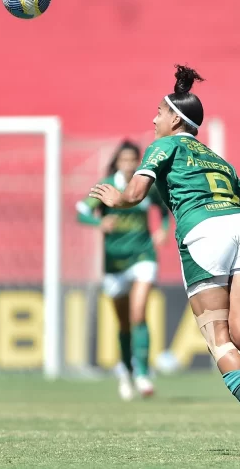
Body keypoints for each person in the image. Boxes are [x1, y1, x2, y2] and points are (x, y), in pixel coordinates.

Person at [89, 64, 240, 457]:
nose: (153, 119)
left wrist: (118, 198)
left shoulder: (164, 146)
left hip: (204, 234)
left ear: (175, 119)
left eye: (159, 113)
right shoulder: (219, 160)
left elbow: (137, 191)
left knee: (220, 340)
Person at [76, 141, 170, 400]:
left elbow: (163, 208)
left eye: (133, 160)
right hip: (115, 262)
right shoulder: (107, 185)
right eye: (124, 160)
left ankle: (142, 373)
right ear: (117, 162)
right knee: (124, 323)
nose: (129, 164)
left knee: (139, 312)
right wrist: (99, 221)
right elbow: (81, 210)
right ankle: (126, 371)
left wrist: (162, 229)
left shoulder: (143, 185)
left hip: (143, 256)